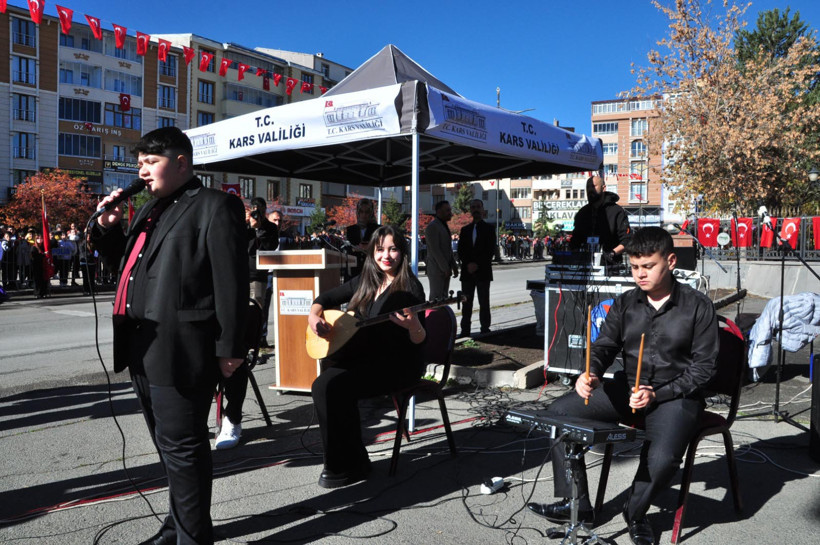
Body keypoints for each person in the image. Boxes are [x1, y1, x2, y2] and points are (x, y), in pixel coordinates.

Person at [91, 127, 247, 545]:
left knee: (184, 448)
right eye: (139, 163)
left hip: (182, 349)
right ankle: (176, 526)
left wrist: (231, 349)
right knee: (168, 449)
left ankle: (192, 538)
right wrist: (107, 230)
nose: (142, 171)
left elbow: (231, 282)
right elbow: (126, 268)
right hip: (141, 346)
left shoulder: (214, 207)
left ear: (181, 162)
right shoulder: (147, 211)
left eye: (151, 162)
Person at [527, 227, 718, 545]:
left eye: (648, 266)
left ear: (670, 261)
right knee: (558, 413)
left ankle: (637, 512)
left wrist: (659, 393)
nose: (640, 274)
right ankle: (577, 504)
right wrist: (591, 372)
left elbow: (705, 369)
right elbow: (603, 346)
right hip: (628, 388)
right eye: (634, 267)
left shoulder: (697, 306)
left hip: (676, 394)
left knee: (662, 459)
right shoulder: (626, 302)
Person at [309, 225, 426, 488]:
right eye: (380, 249)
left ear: (402, 252)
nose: (386, 255)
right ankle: (345, 461)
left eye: (393, 249)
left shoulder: (411, 288)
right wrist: (313, 316)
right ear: (373, 251)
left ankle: (348, 463)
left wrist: (413, 326)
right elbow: (326, 297)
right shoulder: (366, 280)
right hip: (365, 359)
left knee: (336, 387)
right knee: (322, 386)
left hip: (398, 364)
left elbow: (420, 341)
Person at [213, 197, 279, 450]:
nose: (253, 214)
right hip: (229, 281)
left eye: (257, 211)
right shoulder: (235, 228)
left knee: (240, 343)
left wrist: (260, 225)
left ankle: (232, 418)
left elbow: (269, 245)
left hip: (254, 276)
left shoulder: (268, 227)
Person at [570, 175, 631, 272]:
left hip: (610, 268)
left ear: (604, 188)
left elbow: (627, 241)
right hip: (583, 269)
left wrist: (612, 253)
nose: (590, 190)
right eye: (588, 187)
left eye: (594, 186)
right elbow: (575, 241)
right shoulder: (582, 213)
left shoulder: (617, 211)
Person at [457, 199, 496, 337]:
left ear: (482, 209)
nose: (475, 209)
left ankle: (485, 328)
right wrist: (468, 264)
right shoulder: (465, 230)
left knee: (484, 302)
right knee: (466, 303)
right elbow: (461, 250)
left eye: (478, 207)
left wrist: (477, 264)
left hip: (483, 271)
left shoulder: (489, 229)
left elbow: (490, 250)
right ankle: (465, 330)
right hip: (467, 273)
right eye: (473, 207)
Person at [424, 200, 459, 300]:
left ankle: (441, 315)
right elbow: (435, 250)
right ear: (439, 211)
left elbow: (448, 249)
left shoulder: (443, 225)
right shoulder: (433, 227)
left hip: (444, 269)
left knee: (444, 298)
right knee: (436, 299)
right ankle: (433, 315)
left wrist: (454, 266)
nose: (450, 213)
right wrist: (445, 268)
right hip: (436, 269)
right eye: (447, 210)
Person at [344, 198, 381, 278]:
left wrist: (370, 247)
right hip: (354, 270)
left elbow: (382, 247)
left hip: (372, 269)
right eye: (361, 212)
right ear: (358, 212)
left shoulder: (377, 229)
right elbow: (346, 248)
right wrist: (355, 248)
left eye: (367, 212)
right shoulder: (350, 230)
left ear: (371, 213)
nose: (364, 215)